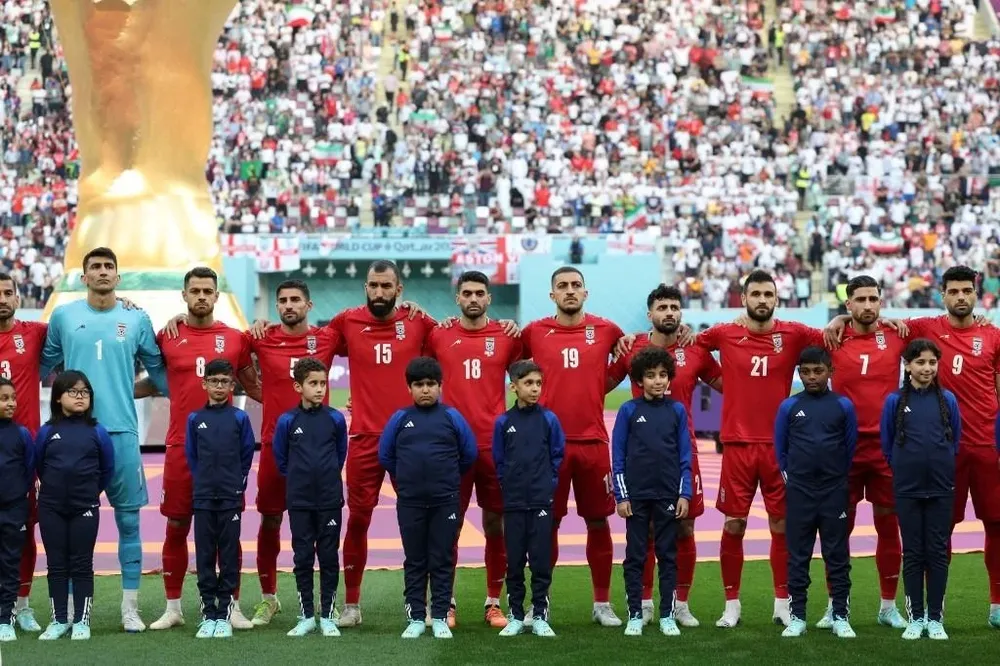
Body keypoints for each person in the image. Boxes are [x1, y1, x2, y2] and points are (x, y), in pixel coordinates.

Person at [828, 265, 1000, 626]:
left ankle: (993, 605)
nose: (961, 297)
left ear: (976, 293)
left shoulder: (992, 334)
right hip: (931, 449)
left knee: (994, 524)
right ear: (942, 294)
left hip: (984, 445)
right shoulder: (924, 327)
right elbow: (871, 316)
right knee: (935, 531)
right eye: (953, 291)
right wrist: (841, 317)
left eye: (967, 291)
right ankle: (923, 612)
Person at [40, 247, 169, 633]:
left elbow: (160, 373)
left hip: (122, 433)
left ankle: (130, 609)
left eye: (108, 267)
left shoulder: (136, 317)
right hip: (70, 438)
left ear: (118, 276)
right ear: (84, 277)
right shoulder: (63, 316)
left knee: (129, 521)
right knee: (64, 525)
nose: (102, 272)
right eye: (94, 267)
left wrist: (131, 391)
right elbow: (40, 365)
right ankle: (65, 614)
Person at [697, 269, 824, 628]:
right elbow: (691, 344)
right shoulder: (724, 333)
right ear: (744, 298)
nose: (762, 300)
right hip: (737, 445)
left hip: (780, 447)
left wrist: (844, 315)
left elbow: (834, 337)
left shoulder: (795, 333)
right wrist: (721, 382)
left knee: (781, 524)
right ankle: (731, 604)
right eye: (756, 294)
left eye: (768, 294)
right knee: (734, 524)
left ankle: (782, 603)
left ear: (776, 298)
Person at [141, 267, 261, 631]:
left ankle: (233, 606)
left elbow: (253, 383)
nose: (202, 296)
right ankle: (173, 606)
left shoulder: (235, 338)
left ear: (216, 296)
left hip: (225, 453)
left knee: (228, 529)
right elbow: (153, 380)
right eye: (195, 290)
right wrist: (109, 395)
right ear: (184, 295)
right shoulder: (167, 335)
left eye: (208, 290)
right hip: (181, 446)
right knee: (177, 524)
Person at [324, 261, 436, 627]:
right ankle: (352, 606)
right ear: (365, 287)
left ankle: (424, 602)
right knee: (357, 520)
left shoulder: (419, 322)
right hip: (364, 439)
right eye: (373, 285)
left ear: (399, 289)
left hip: (412, 439)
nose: (379, 293)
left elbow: (453, 338)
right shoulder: (346, 322)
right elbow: (309, 341)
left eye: (386, 286)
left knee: (418, 522)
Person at [607, 284, 722, 627]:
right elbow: (602, 382)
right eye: (662, 307)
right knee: (645, 531)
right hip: (642, 459)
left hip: (683, 454)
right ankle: (642, 602)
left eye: (674, 306)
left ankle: (680, 604)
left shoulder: (696, 348)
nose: (669, 312)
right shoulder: (632, 349)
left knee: (683, 528)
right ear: (650, 314)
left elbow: (726, 384)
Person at [520, 266, 625, 627]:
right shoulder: (534, 332)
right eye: (562, 286)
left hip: (594, 443)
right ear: (552, 295)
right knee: (546, 523)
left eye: (575, 286)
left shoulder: (607, 330)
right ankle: (540, 603)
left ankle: (602, 604)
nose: (569, 291)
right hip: (547, 446)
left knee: (599, 521)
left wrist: (600, 387)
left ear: (585, 292)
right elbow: (509, 362)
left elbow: (628, 360)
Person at [426, 270, 522, 628]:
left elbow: (528, 376)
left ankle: (493, 602)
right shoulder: (439, 334)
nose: (473, 299)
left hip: (495, 446)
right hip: (450, 447)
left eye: (479, 293)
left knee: (497, 523)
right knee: (447, 527)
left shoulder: (508, 336)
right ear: (457, 298)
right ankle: (445, 603)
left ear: (489, 298)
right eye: (466, 293)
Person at [243, 280, 339, 626]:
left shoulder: (328, 337)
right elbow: (238, 364)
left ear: (308, 306)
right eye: (282, 300)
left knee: (320, 526)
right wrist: (262, 395)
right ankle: (269, 599)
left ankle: (326, 603)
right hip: (274, 445)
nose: (287, 305)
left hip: (319, 450)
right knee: (270, 519)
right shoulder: (260, 337)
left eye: (295, 300)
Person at [818, 275, 907, 629]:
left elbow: (944, 325)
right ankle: (835, 606)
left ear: (881, 302)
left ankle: (888, 607)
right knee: (839, 530)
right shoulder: (831, 337)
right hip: (844, 450)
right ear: (848, 305)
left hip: (886, 449)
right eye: (860, 300)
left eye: (874, 299)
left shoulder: (900, 334)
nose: (868, 305)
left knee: (889, 527)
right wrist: (835, 322)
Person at [377, 357, 477, 640]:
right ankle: (417, 617)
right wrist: (408, 480)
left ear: (440, 387)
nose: (425, 390)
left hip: (445, 500)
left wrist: (445, 477)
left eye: (431, 384)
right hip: (410, 502)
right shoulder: (400, 418)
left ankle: (441, 616)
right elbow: (386, 455)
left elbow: (468, 454)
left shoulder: (451, 417)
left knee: (442, 558)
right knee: (415, 560)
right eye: (419, 384)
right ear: (409, 387)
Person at [881, 339, 961, 641]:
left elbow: (954, 441)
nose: (926, 368)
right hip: (907, 489)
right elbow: (887, 444)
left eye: (931, 363)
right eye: (920, 363)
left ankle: (935, 618)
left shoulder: (948, 400)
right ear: (907, 365)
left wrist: (938, 467)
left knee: (937, 553)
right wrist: (905, 467)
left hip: (941, 488)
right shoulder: (894, 402)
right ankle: (916, 618)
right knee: (913, 553)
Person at [774, 346, 857, 639]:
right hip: (800, 491)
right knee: (798, 555)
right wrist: (794, 480)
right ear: (799, 373)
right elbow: (781, 450)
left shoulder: (843, 406)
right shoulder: (789, 406)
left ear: (830, 372)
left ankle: (840, 616)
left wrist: (835, 477)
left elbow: (849, 447)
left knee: (837, 554)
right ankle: (797, 617)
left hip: (835, 491)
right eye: (806, 372)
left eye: (818, 371)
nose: (812, 377)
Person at [611, 347, 692, 638]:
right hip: (636, 497)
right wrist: (622, 497)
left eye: (662, 375)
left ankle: (667, 615)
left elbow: (685, 454)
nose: (657, 381)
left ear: (669, 378)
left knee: (668, 556)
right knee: (635, 556)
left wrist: (684, 494)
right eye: (650, 376)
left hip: (668, 495)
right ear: (639, 380)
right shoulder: (629, 411)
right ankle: (635, 613)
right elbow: (617, 455)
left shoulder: (677, 410)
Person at [35, 371, 115, 641]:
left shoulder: (97, 431)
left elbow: (107, 469)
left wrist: (89, 493)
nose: (80, 397)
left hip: (85, 507)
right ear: (58, 397)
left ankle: (82, 621)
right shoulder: (47, 431)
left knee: (82, 564)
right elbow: (39, 466)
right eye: (73, 392)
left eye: (85, 392)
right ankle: (59, 620)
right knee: (56, 564)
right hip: (50, 507)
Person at [273, 358, 348, 639]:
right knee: (303, 557)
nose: (319, 389)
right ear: (298, 386)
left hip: (329, 500)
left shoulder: (335, 418)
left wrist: (326, 478)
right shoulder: (288, 421)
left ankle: (327, 615)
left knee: (329, 557)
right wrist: (300, 479)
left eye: (322, 383)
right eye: (313, 384)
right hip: (300, 502)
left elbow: (340, 454)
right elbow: (282, 460)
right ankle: (306, 615)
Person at [492, 360, 564, 638]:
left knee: (540, 559)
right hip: (513, 502)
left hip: (541, 500)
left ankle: (540, 615)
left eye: (538, 384)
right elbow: (499, 460)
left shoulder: (549, 420)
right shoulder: (504, 422)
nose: (534, 389)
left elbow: (557, 455)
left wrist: (548, 483)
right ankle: (516, 615)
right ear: (514, 387)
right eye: (528, 383)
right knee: (514, 561)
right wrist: (509, 484)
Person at [185, 359, 255, 639]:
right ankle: (208, 615)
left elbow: (246, 456)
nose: (219, 386)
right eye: (213, 381)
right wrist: (202, 483)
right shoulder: (194, 419)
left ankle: (224, 614)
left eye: (224, 381)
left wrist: (235, 486)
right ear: (204, 383)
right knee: (204, 557)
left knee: (228, 557)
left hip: (230, 498)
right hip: (203, 498)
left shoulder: (240, 418)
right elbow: (192, 457)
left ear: (232, 385)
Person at [0, 272, 47, 632]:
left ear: (18, 298)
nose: (1, 299)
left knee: (23, 528)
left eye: (7, 293)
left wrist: (126, 304)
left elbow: (83, 321)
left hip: (22, 451)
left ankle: (23, 603)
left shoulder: (33, 333)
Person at [0, 377, 34, 642]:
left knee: (10, 563)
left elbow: (29, 469)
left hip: (13, 510)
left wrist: (16, 499)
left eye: (12, 398)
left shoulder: (22, 434)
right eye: (4, 399)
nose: (11, 403)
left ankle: (5, 619)